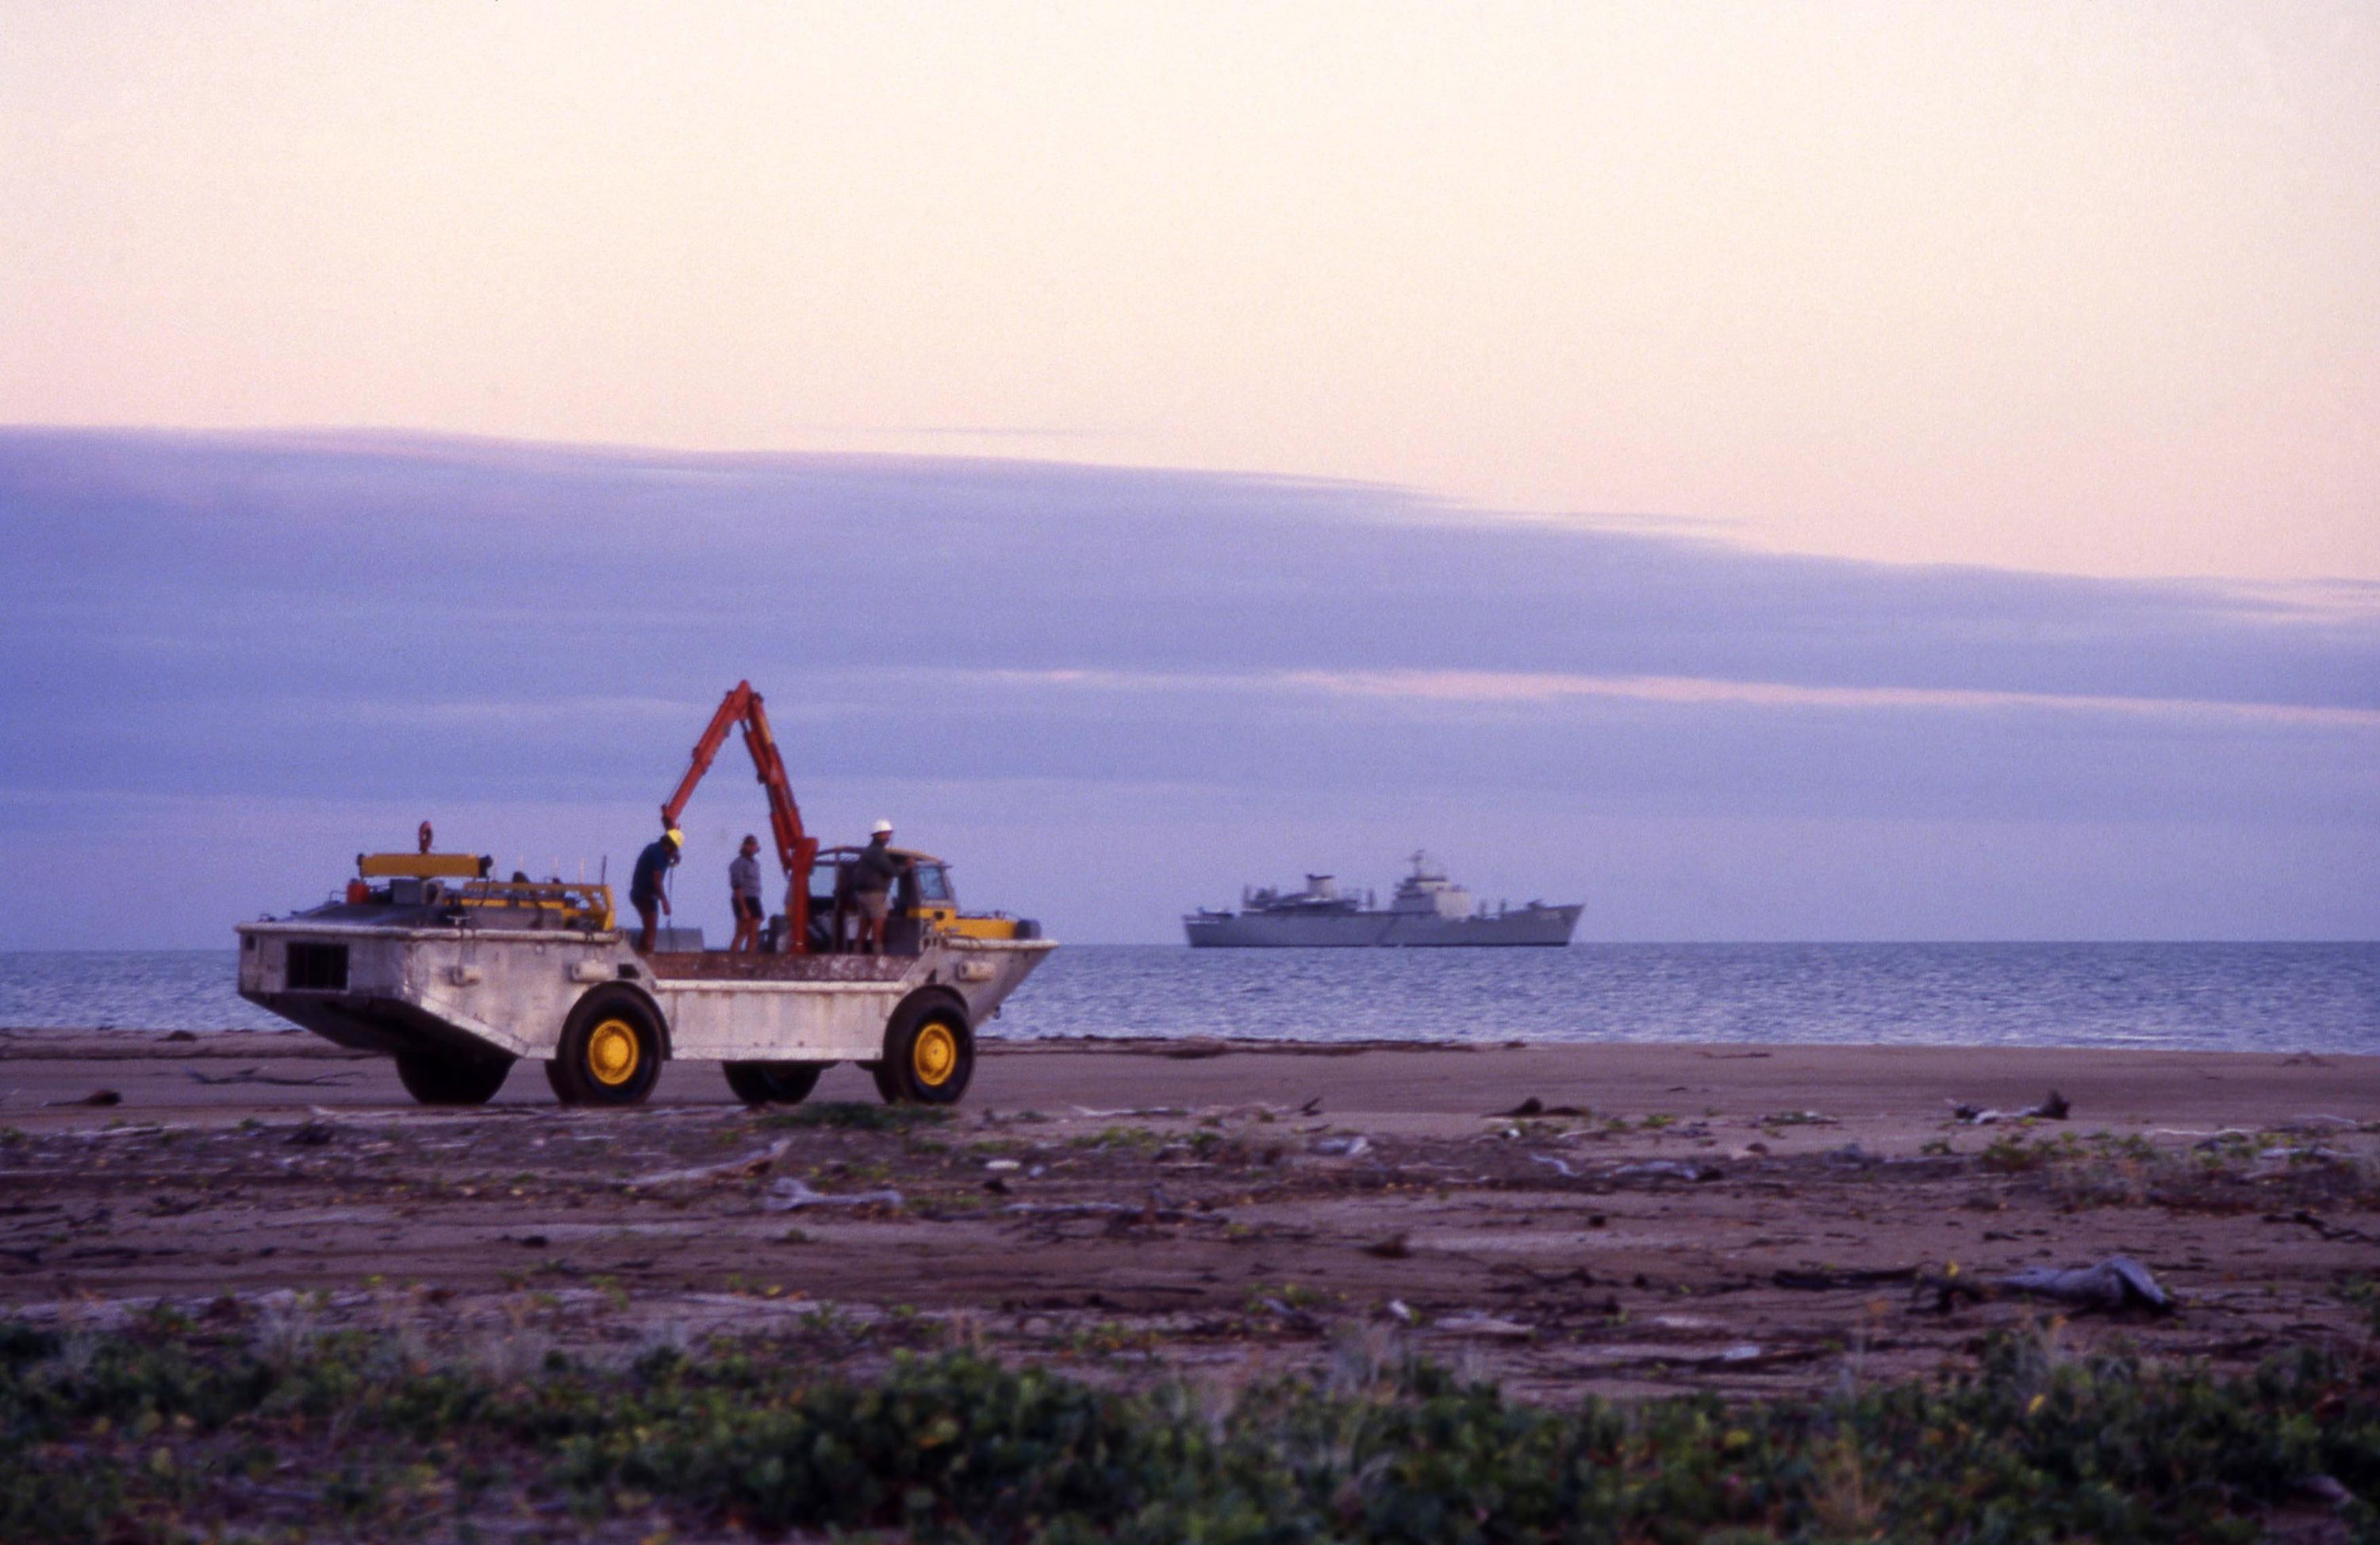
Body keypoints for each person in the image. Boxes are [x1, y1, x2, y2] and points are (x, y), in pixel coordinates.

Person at [846, 819, 910, 955]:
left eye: (888, 834)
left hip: (862, 894)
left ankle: (856, 956)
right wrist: (907, 866)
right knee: (878, 926)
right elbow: (891, 871)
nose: (888, 837)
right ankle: (878, 958)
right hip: (874, 895)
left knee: (864, 926)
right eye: (886, 834)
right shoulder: (877, 852)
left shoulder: (869, 852)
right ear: (878, 835)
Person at [629, 828, 681, 953]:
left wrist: (674, 857)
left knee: (649, 929)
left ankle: (641, 955)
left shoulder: (655, 848)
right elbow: (656, 879)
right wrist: (664, 901)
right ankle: (647, 958)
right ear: (671, 846)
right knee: (651, 932)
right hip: (645, 895)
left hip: (640, 893)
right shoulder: (659, 854)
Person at [727, 834, 765, 954]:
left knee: (754, 933)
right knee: (742, 931)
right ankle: (733, 958)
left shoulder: (756, 864)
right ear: (744, 846)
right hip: (743, 899)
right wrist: (744, 908)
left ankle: (749, 959)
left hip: (754, 899)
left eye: (754, 845)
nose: (752, 848)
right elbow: (737, 887)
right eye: (750, 845)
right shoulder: (738, 864)